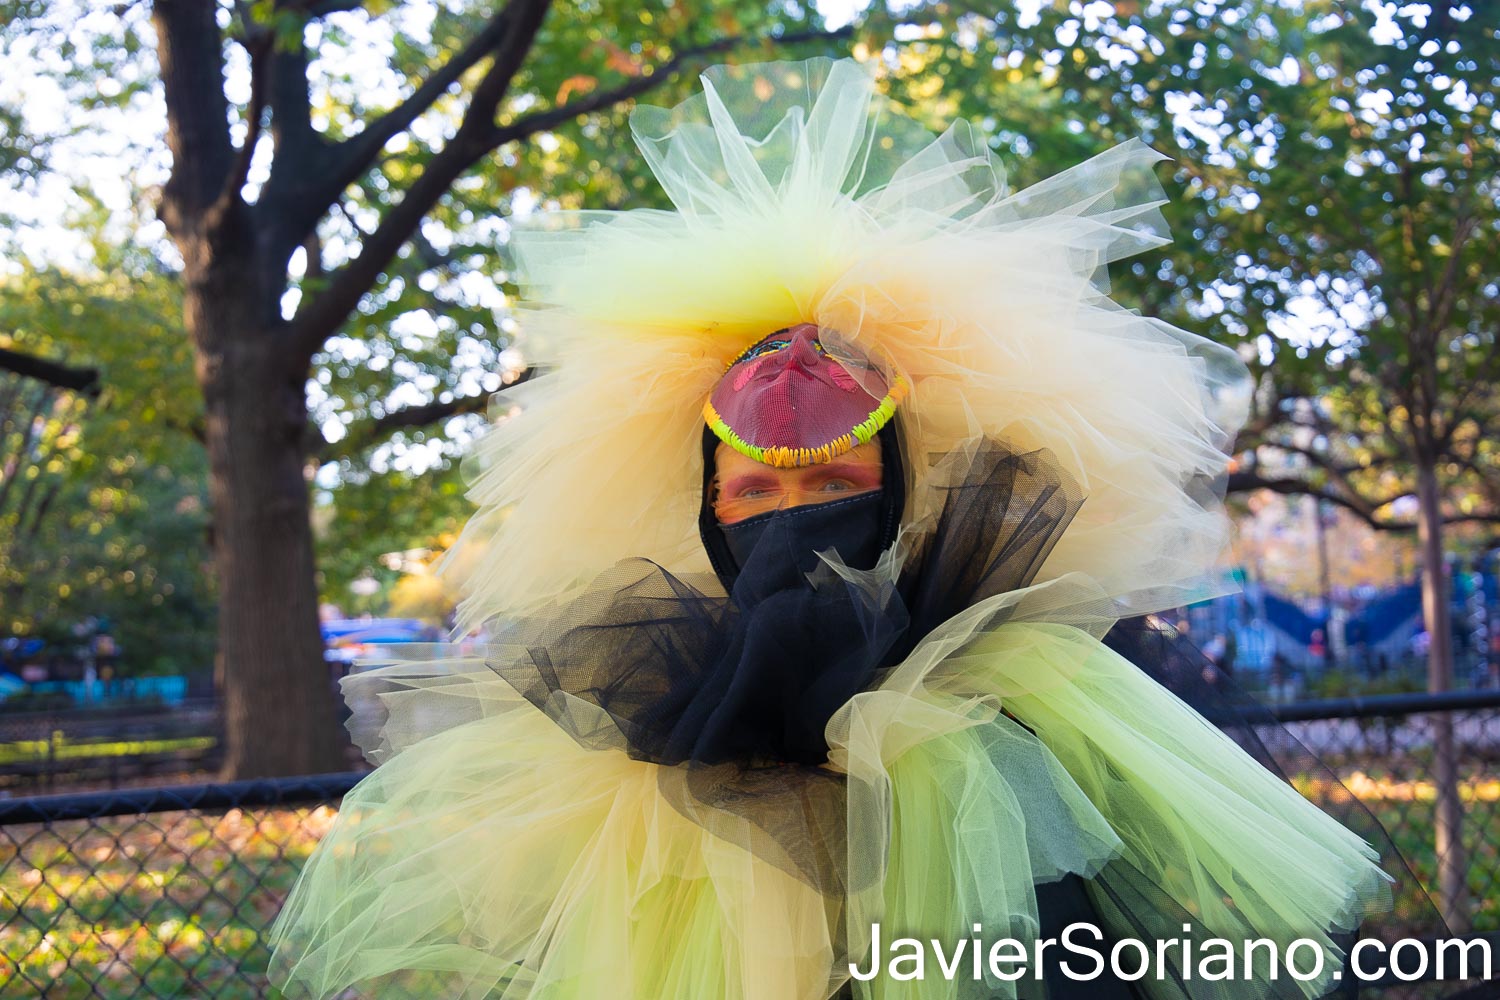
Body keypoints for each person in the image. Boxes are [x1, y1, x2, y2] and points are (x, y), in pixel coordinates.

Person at [267, 58, 1442, 1000]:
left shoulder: (1026, 691)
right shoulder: (636, 714)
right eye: (756, 496)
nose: (794, 525)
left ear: (901, 487)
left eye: (832, 483)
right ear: (706, 511)